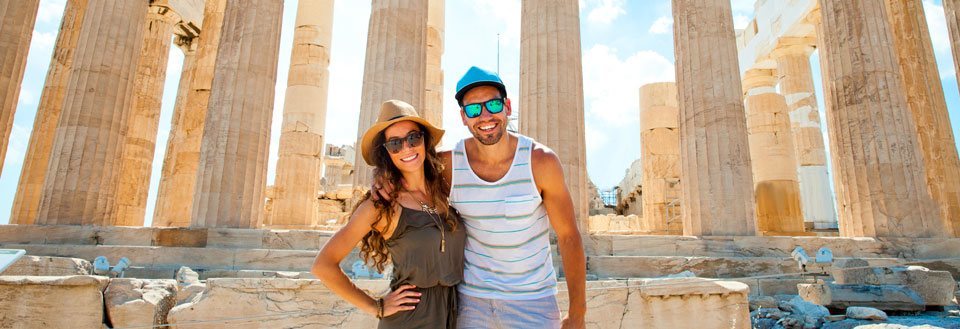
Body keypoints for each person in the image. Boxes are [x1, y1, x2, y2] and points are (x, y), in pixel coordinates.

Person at [375, 66, 587, 329]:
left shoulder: (540, 162)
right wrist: (383, 178)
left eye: (493, 105)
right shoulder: (448, 165)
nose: (485, 115)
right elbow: (407, 170)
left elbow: (568, 236)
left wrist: (577, 313)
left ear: (507, 106)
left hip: (533, 303)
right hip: (470, 303)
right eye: (474, 110)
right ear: (464, 117)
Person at [311, 100, 466, 328]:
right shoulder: (381, 205)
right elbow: (323, 265)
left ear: (424, 140)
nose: (407, 148)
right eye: (395, 144)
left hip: (453, 315)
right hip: (410, 320)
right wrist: (376, 307)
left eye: (413, 137)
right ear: (386, 153)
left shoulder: (443, 189)